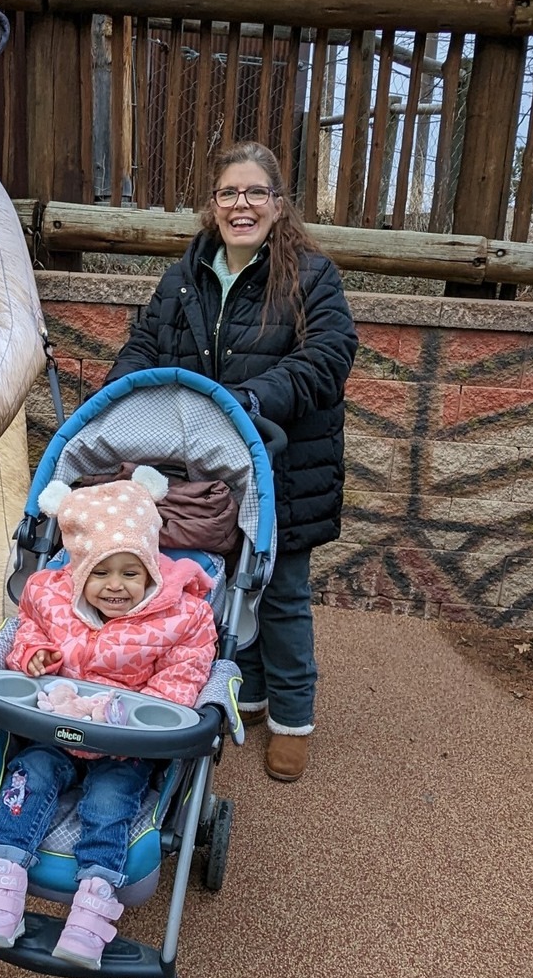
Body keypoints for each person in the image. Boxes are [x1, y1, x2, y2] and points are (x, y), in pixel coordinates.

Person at [105, 141, 358, 784]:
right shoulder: (185, 275)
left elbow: (327, 358)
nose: (240, 205)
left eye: (254, 193)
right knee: (222, 579)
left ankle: (294, 721)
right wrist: (120, 397)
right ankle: (248, 689)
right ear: (211, 205)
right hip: (205, 463)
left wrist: (247, 402)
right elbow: (145, 345)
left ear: (277, 204)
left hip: (282, 461)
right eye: (228, 194)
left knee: (283, 594)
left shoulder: (310, 276)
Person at [0, 466, 217, 969]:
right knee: (27, 778)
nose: (115, 586)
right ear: (79, 572)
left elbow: (185, 674)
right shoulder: (53, 601)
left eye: (130, 572)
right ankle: (1, 895)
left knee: (108, 802)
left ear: (151, 569)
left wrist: (135, 713)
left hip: (127, 742)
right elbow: (28, 634)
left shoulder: (178, 619)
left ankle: (93, 907)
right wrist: (34, 658)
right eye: (100, 573)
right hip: (53, 732)